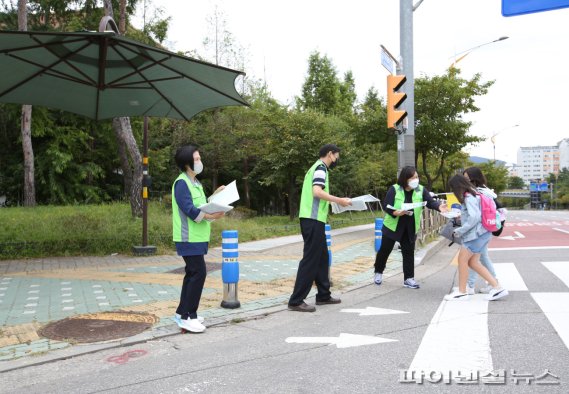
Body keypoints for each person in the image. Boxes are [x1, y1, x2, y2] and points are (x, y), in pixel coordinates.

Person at [288, 144, 352, 312]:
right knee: (311, 259)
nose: (337, 159)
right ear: (330, 154)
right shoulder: (320, 169)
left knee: (322, 257)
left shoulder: (316, 168)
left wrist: (335, 203)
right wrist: (339, 200)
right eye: (336, 156)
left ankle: (323, 295)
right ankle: (296, 300)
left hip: (314, 219)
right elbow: (317, 192)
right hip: (312, 219)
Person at [172, 145, 225, 332]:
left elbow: (202, 205)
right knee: (198, 273)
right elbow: (190, 210)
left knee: (192, 274)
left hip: (199, 237)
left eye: (199, 158)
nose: (199, 162)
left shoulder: (196, 183)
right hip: (188, 238)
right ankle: (188, 316)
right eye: (196, 159)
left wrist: (216, 197)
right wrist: (213, 216)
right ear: (187, 163)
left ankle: (182, 313)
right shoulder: (181, 183)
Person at [373, 166, 447, 289]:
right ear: (405, 179)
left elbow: (430, 201)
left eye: (417, 177)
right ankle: (378, 272)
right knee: (384, 251)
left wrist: (439, 207)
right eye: (413, 178)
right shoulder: (395, 189)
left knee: (408, 253)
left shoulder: (420, 189)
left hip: (410, 227)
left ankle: (409, 278)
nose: (416, 180)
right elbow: (386, 205)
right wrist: (395, 212)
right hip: (392, 225)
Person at [445, 175, 508, 301]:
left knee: (462, 260)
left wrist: (460, 231)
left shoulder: (469, 197)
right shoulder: (477, 195)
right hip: (484, 233)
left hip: (475, 235)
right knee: (472, 262)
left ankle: (462, 292)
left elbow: (474, 217)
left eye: (453, 188)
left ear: (458, 187)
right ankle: (497, 287)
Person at [463, 167, 502, 294]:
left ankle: (474, 285)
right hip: (486, 229)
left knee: (474, 259)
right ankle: (491, 283)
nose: (465, 181)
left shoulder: (478, 192)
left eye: (466, 178)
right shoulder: (486, 191)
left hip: (479, 231)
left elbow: (476, 214)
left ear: (474, 178)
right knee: (480, 257)